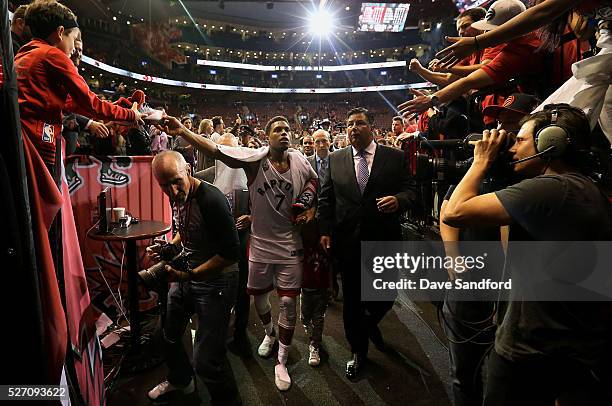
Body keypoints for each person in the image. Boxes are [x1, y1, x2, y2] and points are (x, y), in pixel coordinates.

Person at [443, 104, 612, 405]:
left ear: (551, 143)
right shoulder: (582, 188)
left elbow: (454, 212)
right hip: (567, 347)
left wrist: (481, 161)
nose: (512, 149)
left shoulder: (553, 190)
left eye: (520, 140)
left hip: (530, 353)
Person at [158, 115, 317, 391]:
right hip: (261, 244)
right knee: (258, 300)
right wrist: (183, 131)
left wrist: (309, 207)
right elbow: (217, 151)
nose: (283, 133)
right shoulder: (254, 161)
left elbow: (314, 184)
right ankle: (268, 333)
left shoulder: (300, 159)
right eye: (277, 129)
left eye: (286, 129)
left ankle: (281, 359)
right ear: (266, 137)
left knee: (289, 304)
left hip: (289, 244)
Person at [317, 107, 418, 380]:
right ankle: (358, 351)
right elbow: (326, 199)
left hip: (384, 239)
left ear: (371, 126)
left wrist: (400, 200)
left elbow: (411, 189)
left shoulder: (394, 157)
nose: (353, 128)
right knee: (352, 301)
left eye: (359, 123)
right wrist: (324, 230)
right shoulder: (335, 159)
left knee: (385, 295)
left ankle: (369, 324)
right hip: (347, 242)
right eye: (349, 124)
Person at [147, 151, 242, 405]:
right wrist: (170, 246)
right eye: (164, 184)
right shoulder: (175, 194)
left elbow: (232, 253)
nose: (172, 190)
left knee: (207, 359)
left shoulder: (212, 200)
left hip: (218, 280)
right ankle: (181, 380)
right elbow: (183, 228)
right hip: (188, 272)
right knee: (169, 334)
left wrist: (188, 274)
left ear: (188, 170)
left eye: (177, 181)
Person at [16, 0, 144, 171]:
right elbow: (90, 103)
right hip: (39, 142)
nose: (74, 50)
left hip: (22, 138)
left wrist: (115, 111)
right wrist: (130, 115)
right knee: (48, 197)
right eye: (74, 39)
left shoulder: (25, 52)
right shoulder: (53, 55)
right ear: (60, 32)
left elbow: (72, 104)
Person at [398, 0, 545, 120]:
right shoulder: (518, 43)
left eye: (492, 28)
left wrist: (432, 99)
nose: (487, 32)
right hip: (497, 108)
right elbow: (450, 79)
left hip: (519, 108)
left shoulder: (518, 47)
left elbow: (471, 79)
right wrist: (422, 71)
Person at [302, 129, 333, 366]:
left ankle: (316, 340)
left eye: (323, 140)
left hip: (331, 229)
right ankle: (308, 323)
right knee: (309, 285)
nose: (319, 144)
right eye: (316, 141)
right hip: (308, 235)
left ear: (329, 142)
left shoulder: (339, 161)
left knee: (324, 281)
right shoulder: (306, 165)